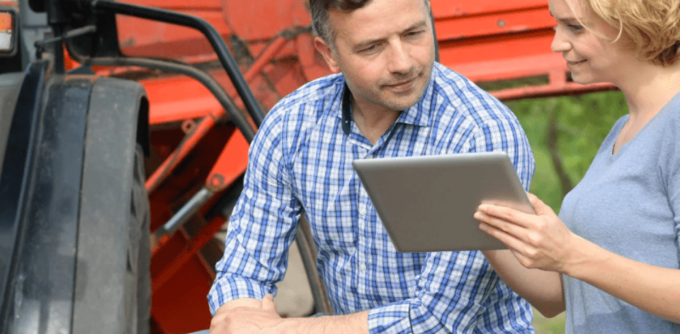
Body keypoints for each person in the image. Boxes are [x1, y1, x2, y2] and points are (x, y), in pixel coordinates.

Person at [207, 0, 536, 333]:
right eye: (372, 47)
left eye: (413, 33)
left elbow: (437, 322)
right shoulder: (291, 123)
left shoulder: (479, 134)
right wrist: (240, 315)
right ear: (329, 54)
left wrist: (278, 330)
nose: (403, 63)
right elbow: (243, 271)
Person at [473, 0, 680, 333]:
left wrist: (572, 254)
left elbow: (579, 262)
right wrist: (480, 224)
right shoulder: (622, 130)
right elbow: (559, 297)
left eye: (575, 27)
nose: (557, 43)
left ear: (634, 21)